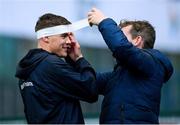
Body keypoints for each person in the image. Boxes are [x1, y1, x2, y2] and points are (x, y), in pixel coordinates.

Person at [88, 8, 173, 124]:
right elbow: (88, 81)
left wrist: (103, 21)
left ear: (137, 40)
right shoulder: (118, 75)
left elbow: (121, 47)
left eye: (122, 35)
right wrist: (76, 58)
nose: (119, 38)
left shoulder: (152, 62)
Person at [15, 13, 98, 124]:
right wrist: (79, 59)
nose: (69, 41)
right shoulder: (51, 64)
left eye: (70, 36)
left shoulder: (28, 67)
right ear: (45, 37)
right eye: (64, 36)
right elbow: (91, 90)